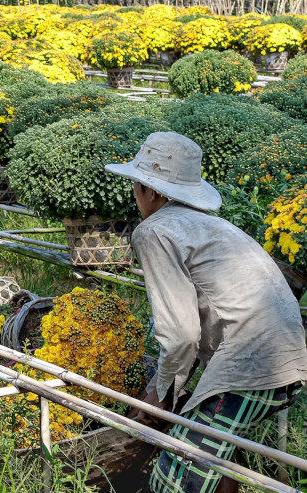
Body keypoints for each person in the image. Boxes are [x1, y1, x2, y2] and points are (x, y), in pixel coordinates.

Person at [104, 132, 306, 493]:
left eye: (136, 185)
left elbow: (180, 333)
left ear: (152, 192)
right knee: (214, 453)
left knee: (179, 470)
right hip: (285, 355)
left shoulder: (155, 230)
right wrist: (167, 391)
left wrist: (161, 394)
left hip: (252, 364)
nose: (135, 194)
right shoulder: (209, 225)